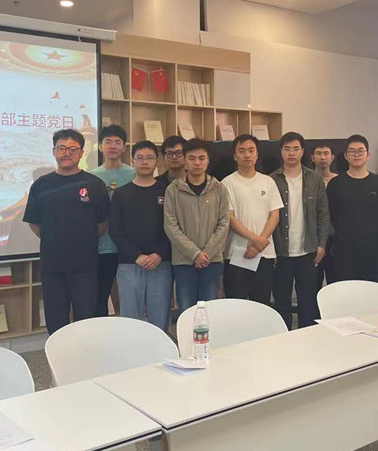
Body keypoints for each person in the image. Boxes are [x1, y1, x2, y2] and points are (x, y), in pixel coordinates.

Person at [23, 129, 109, 335]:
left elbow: (102, 223)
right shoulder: (41, 185)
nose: (67, 153)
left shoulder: (95, 185)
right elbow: (34, 222)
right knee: (55, 319)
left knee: (86, 319)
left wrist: (80, 240)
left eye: (73, 149)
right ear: (54, 151)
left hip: (85, 264)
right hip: (52, 264)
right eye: (62, 148)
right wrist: (54, 239)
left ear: (81, 153)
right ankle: (58, 354)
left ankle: (84, 354)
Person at [108, 141, 172, 331]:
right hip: (129, 263)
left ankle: (160, 350)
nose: (145, 162)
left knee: (160, 319)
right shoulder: (120, 194)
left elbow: (174, 228)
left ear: (157, 161)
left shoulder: (168, 191)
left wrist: (159, 254)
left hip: (161, 263)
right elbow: (115, 230)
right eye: (140, 158)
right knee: (131, 320)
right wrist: (136, 256)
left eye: (150, 158)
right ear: (132, 161)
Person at [270, 132, 330, 328]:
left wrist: (321, 244)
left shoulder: (314, 178)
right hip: (281, 251)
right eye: (287, 149)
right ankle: (283, 338)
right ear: (281, 152)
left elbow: (323, 214)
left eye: (296, 149)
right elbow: (267, 217)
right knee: (281, 301)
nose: (291, 153)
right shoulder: (272, 180)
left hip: (309, 250)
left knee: (307, 301)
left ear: (303, 152)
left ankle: (305, 339)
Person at [163, 138, 229, 311]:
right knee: (186, 309)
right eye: (192, 158)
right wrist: (194, 254)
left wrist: (206, 253)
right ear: (184, 160)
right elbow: (170, 226)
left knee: (209, 309)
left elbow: (224, 222)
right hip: (183, 261)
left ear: (208, 160)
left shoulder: (219, 188)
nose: (197, 163)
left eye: (201, 158)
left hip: (211, 260)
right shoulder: (173, 190)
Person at [222, 134, 283, 305]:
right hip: (237, 253)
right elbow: (230, 217)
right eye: (241, 151)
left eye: (251, 150)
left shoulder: (268, 181)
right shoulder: (227, 183)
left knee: (261, 304)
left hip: (264, 253)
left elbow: (275, 215)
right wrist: (255, 239)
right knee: (236, 304)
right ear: (235, 156)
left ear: (257, 154)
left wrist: (259, 243)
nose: (247, 155)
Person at [326, 135, 378, 282]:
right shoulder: (335, 183)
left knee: (371, 288)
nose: (356, 155)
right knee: (344, 288)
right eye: (352, 151)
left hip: (371, 246)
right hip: (343, 246)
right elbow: (331, 213)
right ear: (346, 155)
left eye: (360, 151)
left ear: (368, 154)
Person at [91, 124, 136, 317]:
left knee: (131, 298)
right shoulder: (92, 176)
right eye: (108, 141)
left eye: (118, 142)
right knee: (99, 298)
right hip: (103, 247)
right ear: (101, 146)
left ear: (124, 147)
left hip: (130, 247)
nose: (113, 146)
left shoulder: (134, 173)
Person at [312, 142, 338, 288]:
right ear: (312, 157)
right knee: (313, 281)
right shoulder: (307, 180)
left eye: (326, 153)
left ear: (332, 157)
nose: (322, 157)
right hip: (312, 238)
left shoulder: (339, 181)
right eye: (318, 153)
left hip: (335, 238)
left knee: (334, 281)